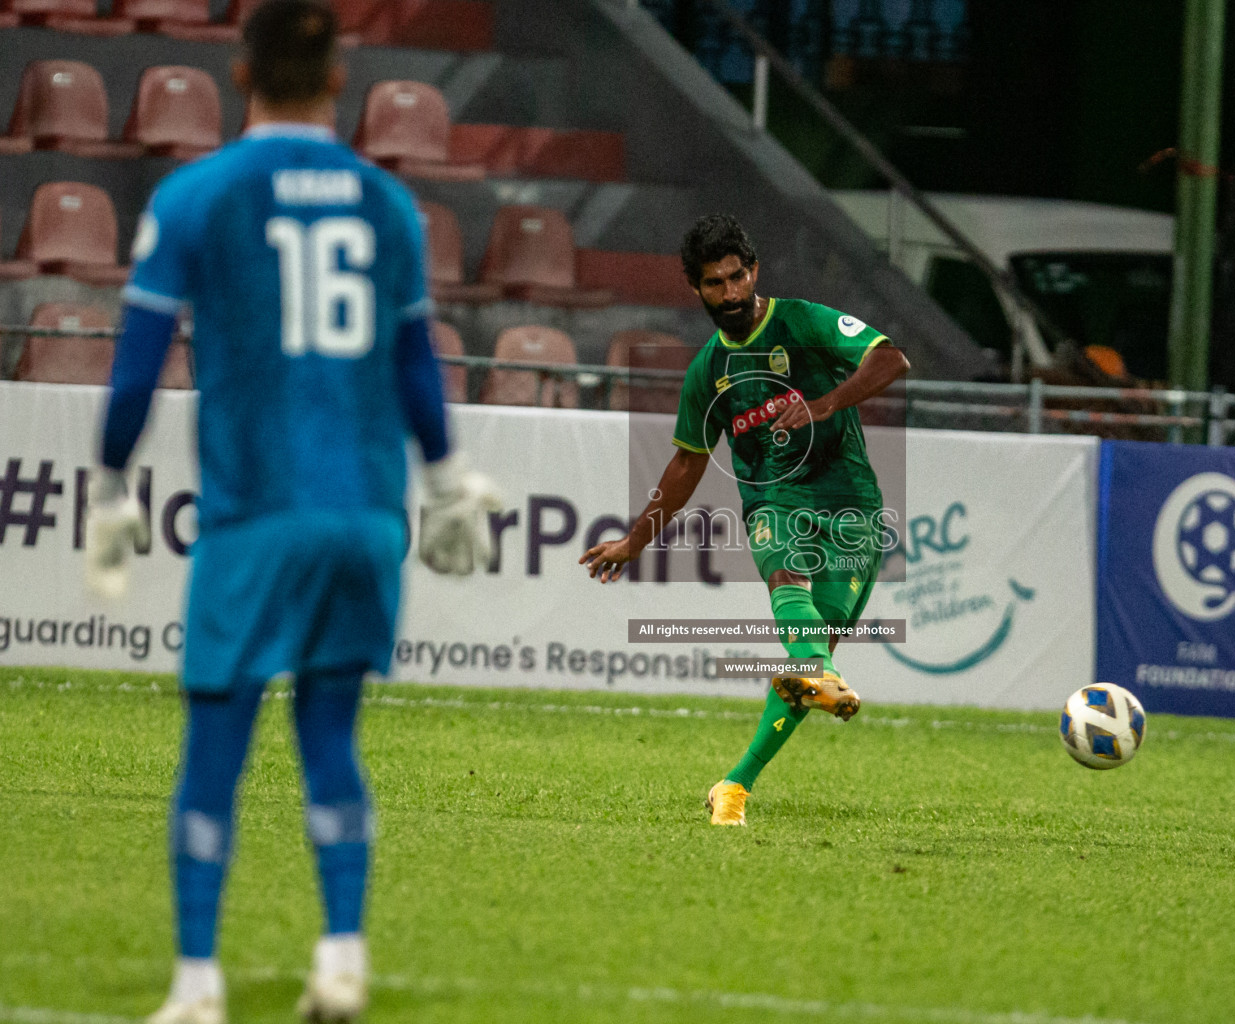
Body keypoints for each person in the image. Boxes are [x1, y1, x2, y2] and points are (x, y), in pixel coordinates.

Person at [83, 3, 501, 1021]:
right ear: (339, 78)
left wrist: (107, 477)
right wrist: (443, 477)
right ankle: (342, 956)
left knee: (216, 740)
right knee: (329, 735)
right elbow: (414, 360)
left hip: (254, 511)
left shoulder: (197, 196)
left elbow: (137, 364)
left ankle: (196, 983)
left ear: (238, 73)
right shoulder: (388, 204)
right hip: (362, 514)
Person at [579, 214, 909, 826]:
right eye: (715, 284)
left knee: (811, 659)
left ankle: (734, 782)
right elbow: (685, 464)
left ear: (754, 271)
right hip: (773, 500)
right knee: (788, 587)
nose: (730, 294)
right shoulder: (709, 371)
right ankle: (810, 676)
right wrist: (634, 539)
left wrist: (821, 404)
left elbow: (891, 360)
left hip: (850, 501)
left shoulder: (804, 321)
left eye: (737, 277)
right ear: (695, 289)